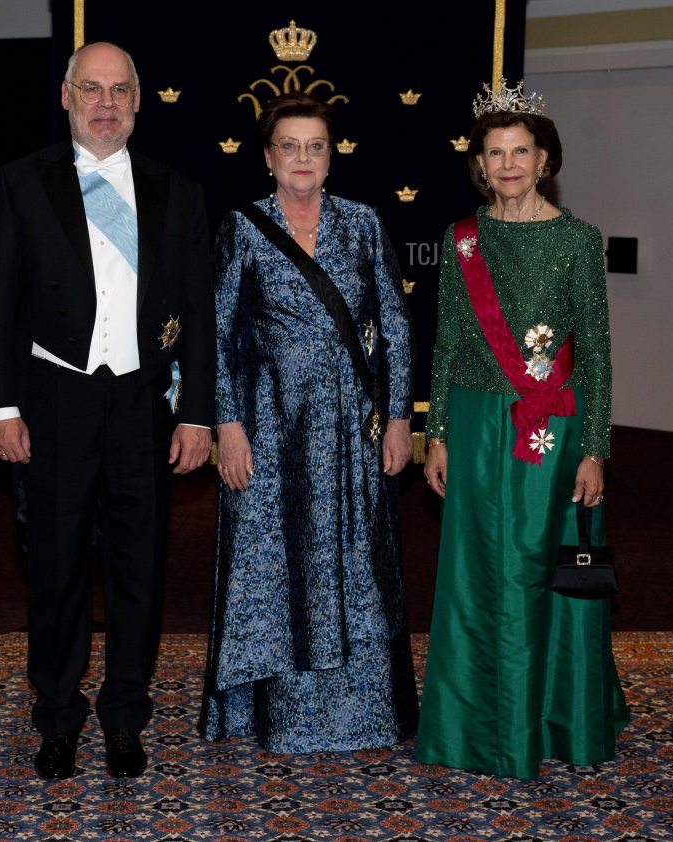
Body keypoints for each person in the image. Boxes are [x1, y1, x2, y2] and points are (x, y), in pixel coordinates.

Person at [0, 42, 214, 780]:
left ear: (138, 100)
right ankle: (57, 715)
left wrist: (197, 413)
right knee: (55, 566)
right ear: (67, 97)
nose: (105, 104)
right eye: (91, 89)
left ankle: (125, 715)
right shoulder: (20, 183)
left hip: (143, 404)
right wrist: (0, 407)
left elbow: (199, 315)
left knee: (140, 567)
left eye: (118, 90)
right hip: (54, 402)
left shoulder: (179, 192)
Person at [415, 79, 629, 778]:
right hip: (477, 423)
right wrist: (438, 432)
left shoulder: (577, 240)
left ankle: (548, 718)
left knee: (540, 567)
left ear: (544, 160)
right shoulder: (462, 240)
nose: (507, 165)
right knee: (477, 569)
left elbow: (595, 353)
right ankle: (474, 720)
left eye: (520, 152)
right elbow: (448, 342)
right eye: (495, 153)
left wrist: (595, 449)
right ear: (479, 164)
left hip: (551, 426)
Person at [199, 91, 418, 753]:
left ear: (331, 156)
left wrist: (399, 418)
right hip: (270, 428)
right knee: (273, 571)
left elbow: (396, 327)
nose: (302, 157)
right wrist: (227, 427)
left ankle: (364, 712)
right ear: (268, 157)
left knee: (357, 564)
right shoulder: (242, 227)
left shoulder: (363, 223)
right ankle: (275, 714)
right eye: (289, 146)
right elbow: (216, 337)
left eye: (314, 146)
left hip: (353, 430)